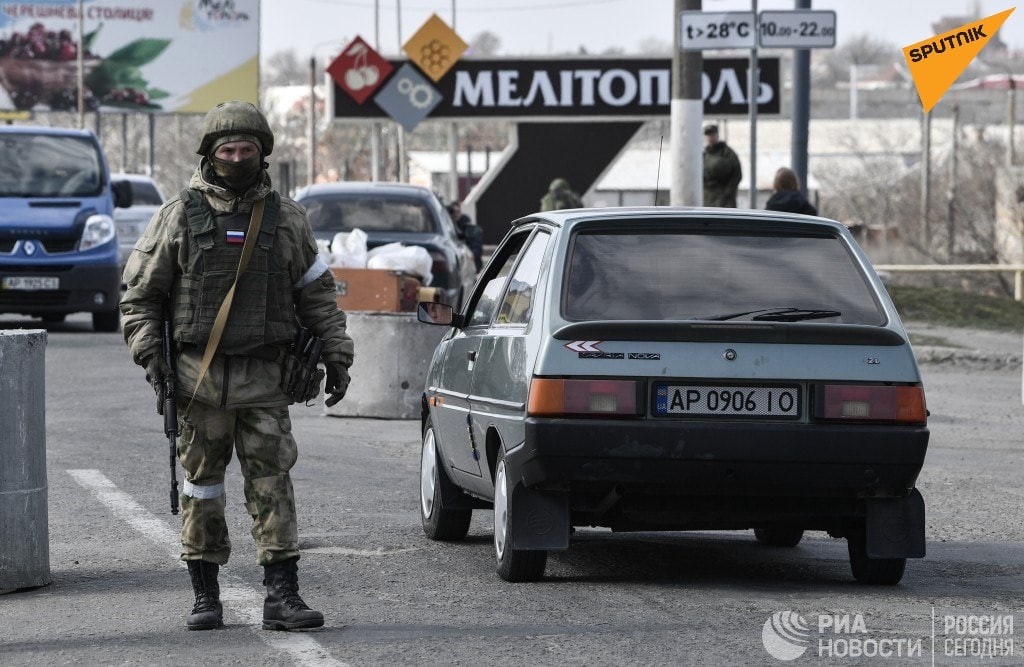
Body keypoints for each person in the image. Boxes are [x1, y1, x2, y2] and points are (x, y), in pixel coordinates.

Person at [119, 101, 354, 632]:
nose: (237, 157)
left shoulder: (288, 219)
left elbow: (318, 298)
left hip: (265, 377)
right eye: (228, 149)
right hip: (195, 379)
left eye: (247, 149)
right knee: (201, 487)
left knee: (272, 484)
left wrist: (337, 353)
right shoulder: (177, 216)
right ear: (210, 154)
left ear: (263, 153)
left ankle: (283, 596)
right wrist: (150, 356)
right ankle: (205, 596)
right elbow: (139, 297)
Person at [702, 124, 742, 207]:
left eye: (712, 135)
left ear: (717, 135)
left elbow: (737, 174)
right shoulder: (704, 155)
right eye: (708, 136)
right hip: (708, 198)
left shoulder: (727, 153)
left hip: (724, 200)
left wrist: (728, 191)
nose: (710, 138)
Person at [447, 200, 483, 272]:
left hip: (468, 263)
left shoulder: (467, 225)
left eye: (458, 211)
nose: (456, 214)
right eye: (453, 212)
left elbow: (476, 245)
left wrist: (472, 254)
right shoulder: (448, 225)